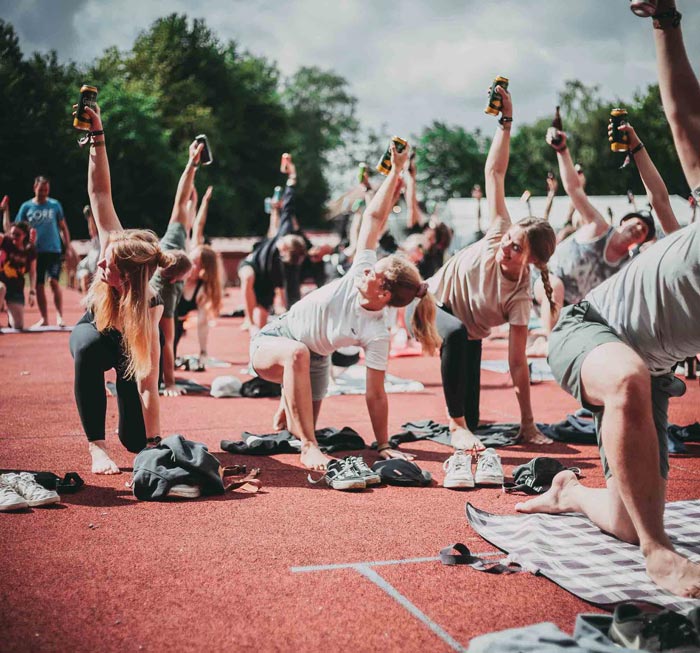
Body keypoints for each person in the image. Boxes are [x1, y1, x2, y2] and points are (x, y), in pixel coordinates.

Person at [516, 0, 700, 600]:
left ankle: (569, 491)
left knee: (623, 517)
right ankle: (658, 553)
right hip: (586, 328)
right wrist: (667, 19)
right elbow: (686, 117)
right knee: (625, 378)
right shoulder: (605, 232)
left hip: (651, 367)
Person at [250, 142, 441, 471]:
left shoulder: (377, 332)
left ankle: (290, 408)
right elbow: (374, 215)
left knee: (292, 417)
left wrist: (383, 445)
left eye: (374, 274)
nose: (366, 269)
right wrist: (396, 171)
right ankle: (308, 447)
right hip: (275, 339)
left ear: (383, 294)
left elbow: (376, 393)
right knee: (297, 358)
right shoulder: (359, 271)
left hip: (316, 360)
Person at [418, 85, 556, 451]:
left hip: (467, 333)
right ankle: (454, 424)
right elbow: (494, 172)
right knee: (458, 335)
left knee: (475, 419)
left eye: (516, 249)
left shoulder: (519, 299)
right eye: (509, 241)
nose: (506, 250)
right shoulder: (498, 233)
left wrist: (528, 424)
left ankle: (464, 422)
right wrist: (505, 122)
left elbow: (517, 365)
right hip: (425, 303)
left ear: (532, 262)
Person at [69, 103, 184, 475]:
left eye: (109, 265)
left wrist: (154, 444)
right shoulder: (114, 241)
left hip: (126, 348)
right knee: (87, 349)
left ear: (129, 277)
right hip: (94, 330)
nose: (100, 263)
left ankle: (128, 415)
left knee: (136, 441)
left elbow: (149, 382)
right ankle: (96, 447)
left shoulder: (149, 305)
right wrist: (97, 138)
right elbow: (99, 192)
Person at [529, 122, 680, 355]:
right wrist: (562, 151)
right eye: (635, 223)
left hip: (573, 310)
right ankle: (549, 343)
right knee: (555, 287)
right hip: (544, 282)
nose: (638, 229)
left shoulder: (626, 265)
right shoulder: (598, 226)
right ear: (623, 221)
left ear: (642, 241)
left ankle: (545, 341)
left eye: (643, 231)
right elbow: (573, 190)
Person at [151, 148, 200, 397]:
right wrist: (170, 384)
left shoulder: (173, 240)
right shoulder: (164, 291)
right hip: (150, 309)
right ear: (175, 278)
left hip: (174, 261)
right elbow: (167, 343)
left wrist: (191, 164)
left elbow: (180, 200)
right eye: (187, 275)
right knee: (163, 338)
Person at [238, 170, 307, 334]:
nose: (278, 243)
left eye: (281, 247)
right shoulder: (285, 232)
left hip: (267, 283)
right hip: (253, 264)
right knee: (247, 277)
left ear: (285, 255)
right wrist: (291, 180)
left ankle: (257, 349)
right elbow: (289, 206)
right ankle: (248, 319)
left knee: (261, 326)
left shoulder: (290, 270)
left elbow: (292, 296)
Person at [15, 175, 76, 328]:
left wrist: (67, 247)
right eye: (41, 189)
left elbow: (63, 227)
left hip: (53, 250)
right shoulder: (26, 207)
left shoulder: (55, 205)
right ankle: (44, 318)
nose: (43, 192)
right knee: (39, 285)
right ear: (35, 188)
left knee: (53, 281)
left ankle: (60, 316)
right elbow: (17, 229)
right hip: (35, 252)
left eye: (46, 190)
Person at [173, 185, 223, 366]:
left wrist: (203, 352)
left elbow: (202, 323)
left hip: (177, 322)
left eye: (197, 265)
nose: (191, 266)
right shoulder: (185, 257)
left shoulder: (202, 289)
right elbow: (192, 226)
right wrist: (196, 203)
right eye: (191, 260)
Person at [404, 155, 453, 279]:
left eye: (431, 227)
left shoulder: (435, 255)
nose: (427, 229)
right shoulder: (418, 232)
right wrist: (411, 178)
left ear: (436, 239)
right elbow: (412, 205)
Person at [0, 214, 37, 330]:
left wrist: (32, 291)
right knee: (1, 289)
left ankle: (10, 319)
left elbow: (32, 272)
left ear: (24, 235)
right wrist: (5, 211)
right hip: (1, 282)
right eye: (12, 234)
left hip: (16, 287)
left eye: (17, 235)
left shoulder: (30, 250)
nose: (14, 237)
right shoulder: (6, 241)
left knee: (18, 326)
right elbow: (5, 227)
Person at [76, 205, 101, 294]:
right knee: (84, 275)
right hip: (89, 266)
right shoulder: (96, 242)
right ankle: (87, 302)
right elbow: (92, 231)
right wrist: (89, 217)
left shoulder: (104, 239)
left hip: (97, 269)